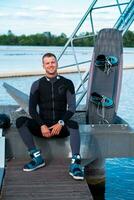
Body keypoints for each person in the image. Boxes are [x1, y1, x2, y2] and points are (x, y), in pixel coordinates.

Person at [16, 52, 84, 180]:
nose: (50, 65)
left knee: (74, 125)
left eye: (53, 62)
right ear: (43, 66)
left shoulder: (67, 83)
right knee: (20, 121)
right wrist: (42, 125)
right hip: (43, 128)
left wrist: (61, 123)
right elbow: (32, 109)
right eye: (47, 63)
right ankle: (37, 157)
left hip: (60, 128)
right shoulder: (37, 84)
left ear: (57, 63)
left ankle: (75, 165)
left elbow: (72, 108)